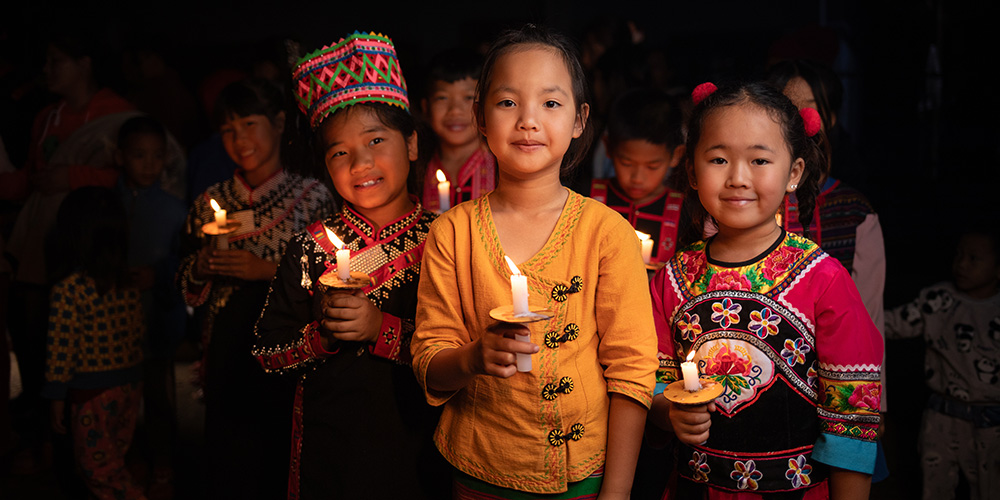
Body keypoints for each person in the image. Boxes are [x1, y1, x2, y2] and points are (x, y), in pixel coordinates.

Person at [411, 25, 658, 499]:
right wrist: (472, 357)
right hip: (478, 468)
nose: (528, 120)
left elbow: (632, 368)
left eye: (550, 103)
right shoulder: (452, 233)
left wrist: (617, 491)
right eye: (507, 103)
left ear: (580, 119)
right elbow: (428, 357)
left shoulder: (606, 233)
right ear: (481, 116)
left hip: (582, 476)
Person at [648, 82, 883, 499]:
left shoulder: (823, 280)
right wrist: (669, 411)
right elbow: (653, 380)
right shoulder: (673, 278)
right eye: (718, 159)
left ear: (793, 173)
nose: (738, 178)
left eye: (759, 160)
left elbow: (851, 421)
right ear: (691, 172)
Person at [253, 32, 446, 499]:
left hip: (423, 448)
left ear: (413, 144)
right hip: (329, 453)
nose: (361, 162)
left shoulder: (449, 240)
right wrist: (321, 335)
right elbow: (265, 353)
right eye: (339, 152)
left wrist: (381, 327)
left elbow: (468, 346)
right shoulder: (310, 248)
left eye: (376, 139)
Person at [177, 77, 333, 500]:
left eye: (249, 124)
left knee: (279, 450)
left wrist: (264, 270)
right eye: (228, 130)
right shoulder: (212, 200)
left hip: (286, 345)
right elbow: (186, 280)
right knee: (229, 454)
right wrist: (201, 266)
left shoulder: (313, 197)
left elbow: (332, 278)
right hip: (226, 346)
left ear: (279, 122)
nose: (239, 139)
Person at [42, 187, 145, 499]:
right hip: (129, 386)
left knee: (98, 468)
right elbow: (136, 332)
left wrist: (56, 395)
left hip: (91, 393)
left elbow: (62, 349)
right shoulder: (127, 281)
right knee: (114, 457)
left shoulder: (69, 290)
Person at [884, 229, 1000, 500]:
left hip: (993, 424)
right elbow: (890, 323)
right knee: (935, 488)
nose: (961, 264)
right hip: (942, 418)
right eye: (959, 255)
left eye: (974, 259)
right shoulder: (937, 301)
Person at [114, 115, 186, 499]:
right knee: (120, 399)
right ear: (120, 156)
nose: (148, 164)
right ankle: (127, 460)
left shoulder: (174, 210)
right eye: (139, 155)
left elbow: (183, 262)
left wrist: (157, 276)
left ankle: (163, 464)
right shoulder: (108, 204)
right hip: (111, 323)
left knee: (158, 396)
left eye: (156, 156)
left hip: (156, 321)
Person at [590, 88, 685, 264]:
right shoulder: (585, 198)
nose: (637, 178)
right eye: (626, 163)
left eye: (652, 166)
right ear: (609, 148)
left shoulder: (686, 212)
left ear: (676, 156)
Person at [420, 48, 495, 213]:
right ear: (425, 108)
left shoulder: (502, 168)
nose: (455, 110)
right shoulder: (416, 172)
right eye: (442, 98)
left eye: (468, 97)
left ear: (484, 107)